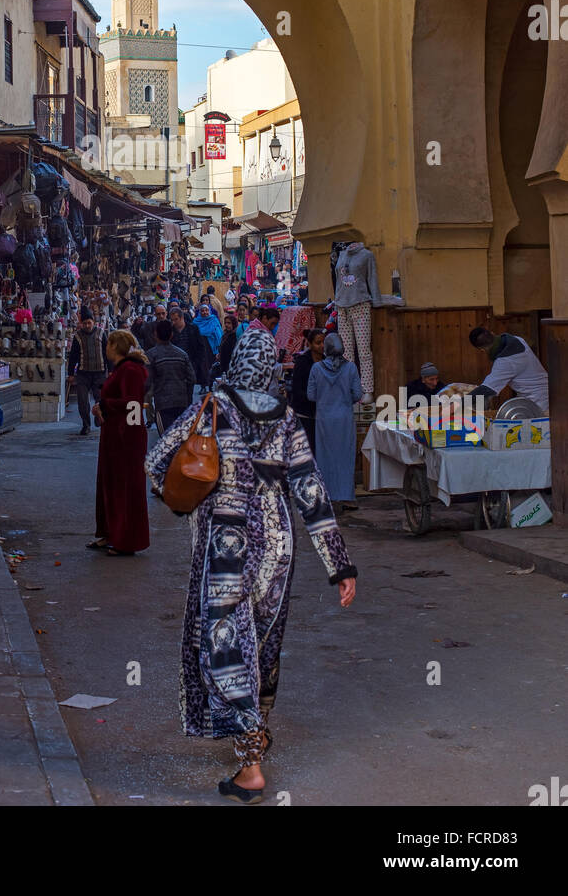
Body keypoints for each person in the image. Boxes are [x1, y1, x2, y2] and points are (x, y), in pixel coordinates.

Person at [146, 328, 357, 803]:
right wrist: (340, 566)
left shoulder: (215, 408)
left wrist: (182, 503)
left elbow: (158, 460)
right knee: (263, 646)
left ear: (236, 360)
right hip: (279, 545)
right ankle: (255, 733)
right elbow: (311, 491)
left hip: (228, 546)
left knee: (227, 646)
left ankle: (250, 766)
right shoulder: (285, 417)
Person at [87, 329, 150, 556]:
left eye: (108, 344)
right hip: (114, 436)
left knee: (125, 488)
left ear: (116, 346)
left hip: (125, 439)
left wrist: (108, 408)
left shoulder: (131, 371)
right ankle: (110, 533)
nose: (106, 348)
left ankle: (126, 540)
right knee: (110, 485)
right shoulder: (122, 370)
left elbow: (133, 405)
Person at [307, 332, 362, 512]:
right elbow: (358, 394)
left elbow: (311, 395)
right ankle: (346, 496)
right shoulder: (351, 368)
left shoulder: (316, 368)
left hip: (324, 419)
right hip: (345, 418)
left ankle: (326, 496)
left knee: (325, 458)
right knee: (345, 458)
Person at [467, 326, 549, 414]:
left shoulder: (505, 361)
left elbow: (488, 389)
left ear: (482, 350)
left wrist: (459, 403)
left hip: (537, 401)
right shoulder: (517, 340)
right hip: (544, 392)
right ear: (492, 333)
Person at [148, 319, 196, 430]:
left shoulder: (151, 355)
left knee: (166, 440)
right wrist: (187, 399)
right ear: (171, 335)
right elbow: (191, 379)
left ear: (156, 334)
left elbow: (147, 382)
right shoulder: (182, 354)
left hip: (162, 404)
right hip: (181, 402)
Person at [67, 312, 107, 436]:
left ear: (93, 322)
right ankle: (86, 424)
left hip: (99, 373)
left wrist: (110, 370)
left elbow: (107, 352)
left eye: (89, 322)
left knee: (100, 399)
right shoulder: (78, 336)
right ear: (81, 324)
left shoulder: (101, 333)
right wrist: (71, 374)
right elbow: (73, 355)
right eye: (85, 323)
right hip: (83, 374)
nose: (87, 325)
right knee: (82, 401)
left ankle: (98, 417)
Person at [291, 327, 325, 455]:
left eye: (323, 342)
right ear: (309, 344)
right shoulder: (303, 362)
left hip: (322, 414)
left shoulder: (327, 361)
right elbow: (296, 388)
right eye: (318, 343)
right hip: (305, 413)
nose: (322, 346)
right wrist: (313, 398)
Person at [169, 305, 210, 388]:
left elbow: (200, 347)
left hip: (191, 365)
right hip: (175, 367)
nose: (174, 322)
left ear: (181, 318)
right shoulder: (170, 331)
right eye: (172, 320)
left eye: (176, 319)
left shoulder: (193, 329)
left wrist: (197, 363)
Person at [214, 312, 238, 379]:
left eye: (229, 323)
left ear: (234, 323)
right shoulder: (225, 335)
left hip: (231, 366)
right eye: (226, 323)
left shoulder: (235, 336)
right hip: (223, 365)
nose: (227, 325)